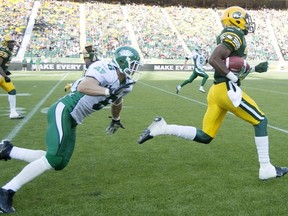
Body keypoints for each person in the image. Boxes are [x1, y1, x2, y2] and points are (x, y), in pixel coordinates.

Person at [138, 6, 288, 181]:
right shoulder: (234, 33)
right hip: (226, 91)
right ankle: (266, 168)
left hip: (216, 91)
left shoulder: (231, 36)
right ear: (236, 19)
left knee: (206, 136)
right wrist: (231, 76)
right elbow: (214, 59)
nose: (247, 23)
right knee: (261, 121)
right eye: (245, 19)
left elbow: (230, 65)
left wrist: (253, 68)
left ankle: (163, 128)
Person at [0, 46, 142, 213]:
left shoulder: (127, 84)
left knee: (58, 162)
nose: (135, 68)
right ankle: (7, 190)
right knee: (53, 159)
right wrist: (108, 90)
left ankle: (9, 150)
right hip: (64, 110)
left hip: (73, 119)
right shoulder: (104, 68)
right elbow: (84, 86)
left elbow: (117, 101)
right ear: (122, 62)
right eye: (133, 64)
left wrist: (116, 119)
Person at [0, 35, 24, 119]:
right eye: (10, 42)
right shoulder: (3, 51)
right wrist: (5, 76)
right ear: (5, 43)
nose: (12, 43)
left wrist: (5, 71)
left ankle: (13, 113)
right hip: (1, 76)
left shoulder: (8, 51)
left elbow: (2, 65)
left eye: (12, 42)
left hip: (1, 75)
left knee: (12, 90)